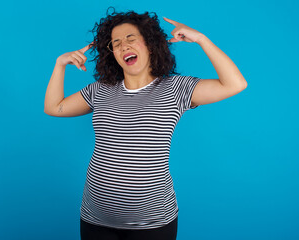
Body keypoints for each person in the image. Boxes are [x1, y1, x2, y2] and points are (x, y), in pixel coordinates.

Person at [44, 7, 247, 240]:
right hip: (95, 219)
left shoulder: (175, 89)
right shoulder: (100, 91)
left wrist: (202, 39)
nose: (123, 46)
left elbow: (235, 84)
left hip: (152, 224)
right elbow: (54, 107)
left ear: (150, 44)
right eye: (116, 43)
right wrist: (59, 65)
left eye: (131, 39)